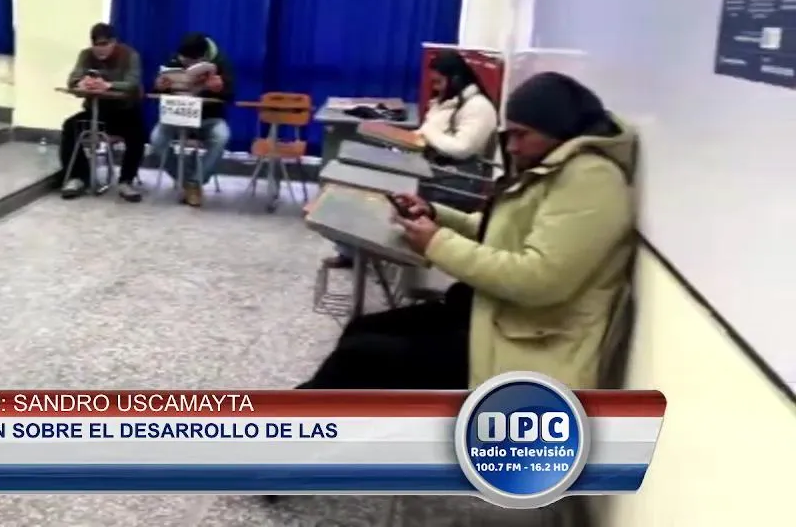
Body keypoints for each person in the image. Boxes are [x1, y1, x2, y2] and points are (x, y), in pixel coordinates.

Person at [299, 72, 637, 391]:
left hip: (529, 343)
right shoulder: (554, 166)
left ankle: (288, 421)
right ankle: (300, 418)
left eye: (522, 135)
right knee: (362, 330)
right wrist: (435, 214)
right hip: (499, 315)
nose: (512, 147)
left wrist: (436, 242)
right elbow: (497, 231)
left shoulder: (590, 179)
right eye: (510, 135)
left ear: (558, 130)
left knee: (361, 358)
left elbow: (539, 279)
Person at [323, 50, 499, 269]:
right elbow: (429, 135)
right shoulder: (449, 101)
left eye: (439, 82)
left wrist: (427, 134)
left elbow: (461, 149)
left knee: (375, 191)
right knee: (359, 182)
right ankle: (350, 249)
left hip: (451, 180)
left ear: (455, 78)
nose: (435, 87)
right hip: (429, 169)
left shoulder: (478, 107)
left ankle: (355, 251)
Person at [59, 23, 145, 202]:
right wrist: (82, 83)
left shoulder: (130, 55)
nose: (100, 49)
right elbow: (73, 79)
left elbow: (133, 83)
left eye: (105, 44)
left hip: (123, 111)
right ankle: (79, 177)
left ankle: (126, 181)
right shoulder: (85, 55)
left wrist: (108, 85)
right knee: (70, 127)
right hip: (95, 111)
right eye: (96, 45)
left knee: (138, 135)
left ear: (114, 42)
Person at [148, 33, 234, 207]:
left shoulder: (221, 63)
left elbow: (231, 95)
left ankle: (195, 181)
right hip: (177, 117)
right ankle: (189, 182)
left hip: (208, 118)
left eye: (191, 62)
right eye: (184, 60)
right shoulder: (174, 61)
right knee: (157, 138)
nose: (186, 64)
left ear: (203, 58)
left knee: (222, 136)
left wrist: (220, 88)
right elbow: (156, 92)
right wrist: (159, 87)